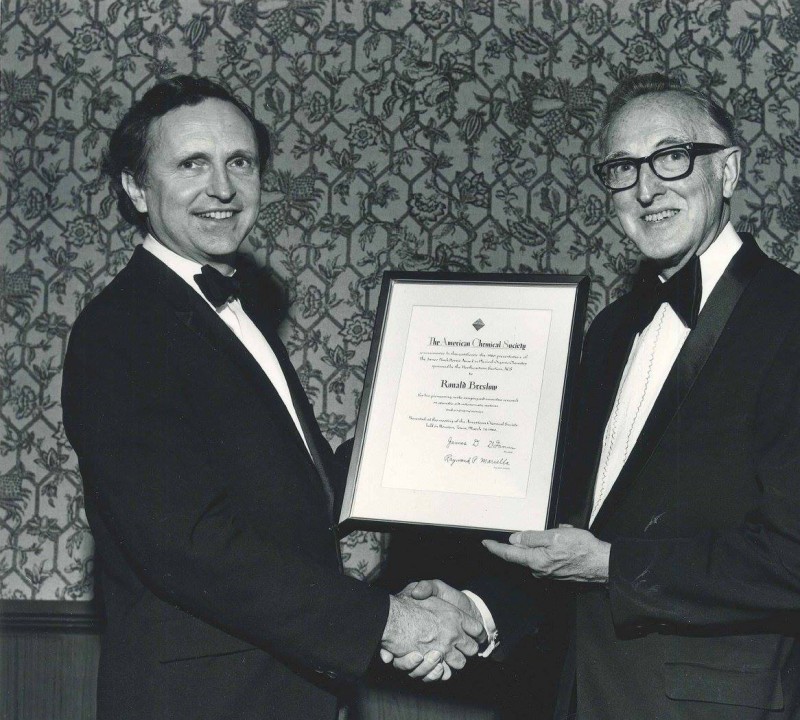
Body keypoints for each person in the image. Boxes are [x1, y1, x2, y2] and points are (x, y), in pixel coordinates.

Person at [61, 75, 483, 720]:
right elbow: (187, 540)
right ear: (136, 188)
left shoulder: (237, 313)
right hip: (203, 700)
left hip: (284, 686)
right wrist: (388, 620)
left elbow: (288, 497)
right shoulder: (122, 328)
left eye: (240, 163)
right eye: (191, 164)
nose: (223, 188)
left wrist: (432, 422)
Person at [394, 73, 800, 719]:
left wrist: (614, 565)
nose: (646, 188)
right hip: (577, 691)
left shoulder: (789, 319)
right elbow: (570, 535)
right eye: (621, 167)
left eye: (672, 157)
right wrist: (472, 610)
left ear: (727, 170)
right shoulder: (612, 329)